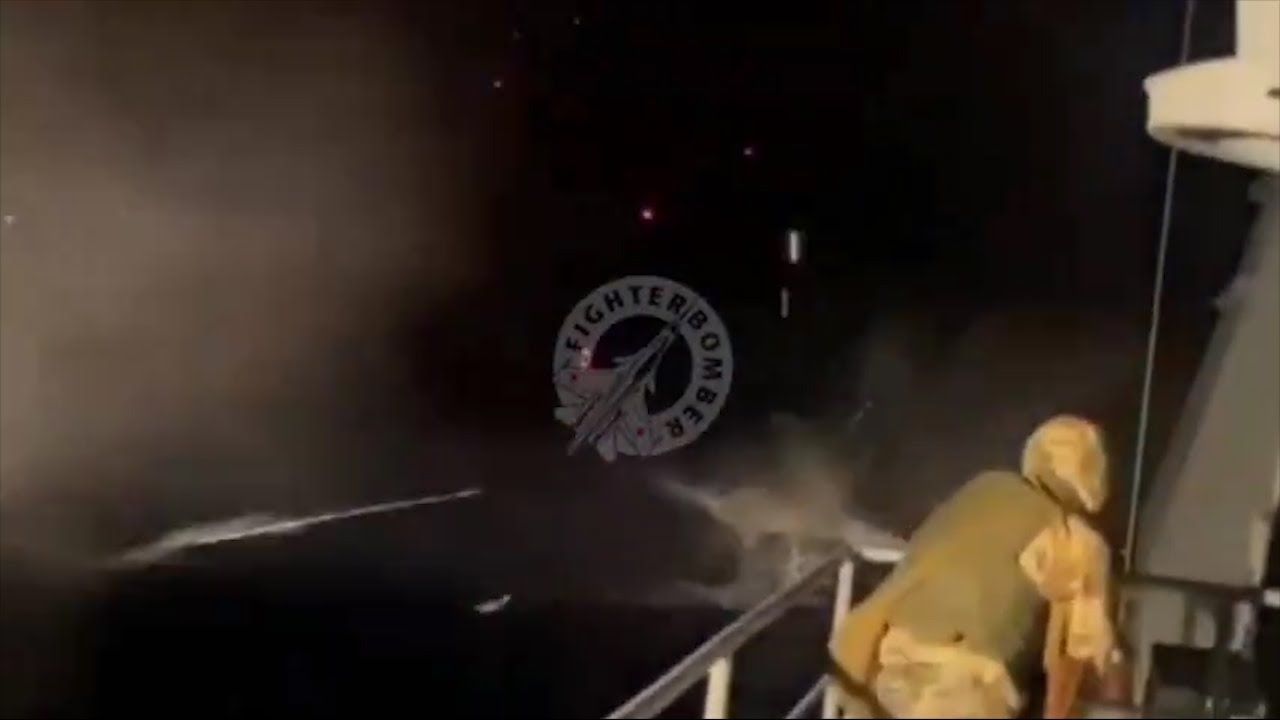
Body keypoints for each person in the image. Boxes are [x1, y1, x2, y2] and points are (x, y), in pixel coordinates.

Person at [829, 414, 1117, 718]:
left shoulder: (985, 488)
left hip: (889, 663)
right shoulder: (1079, 541)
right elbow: (1071, 661)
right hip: (965, 687)